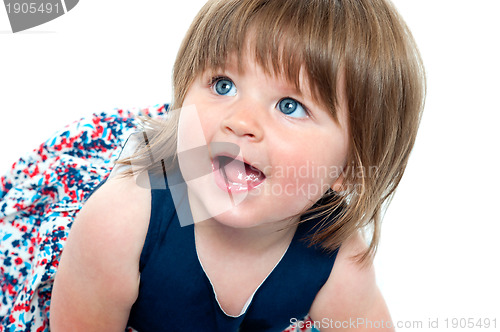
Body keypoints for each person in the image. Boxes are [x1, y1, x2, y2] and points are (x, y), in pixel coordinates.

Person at [48, 0, 426, 331]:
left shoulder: (338, 264)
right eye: (223, 84)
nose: (241, 121)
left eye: (290, 106)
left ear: (348, 169)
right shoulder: (120, 223)